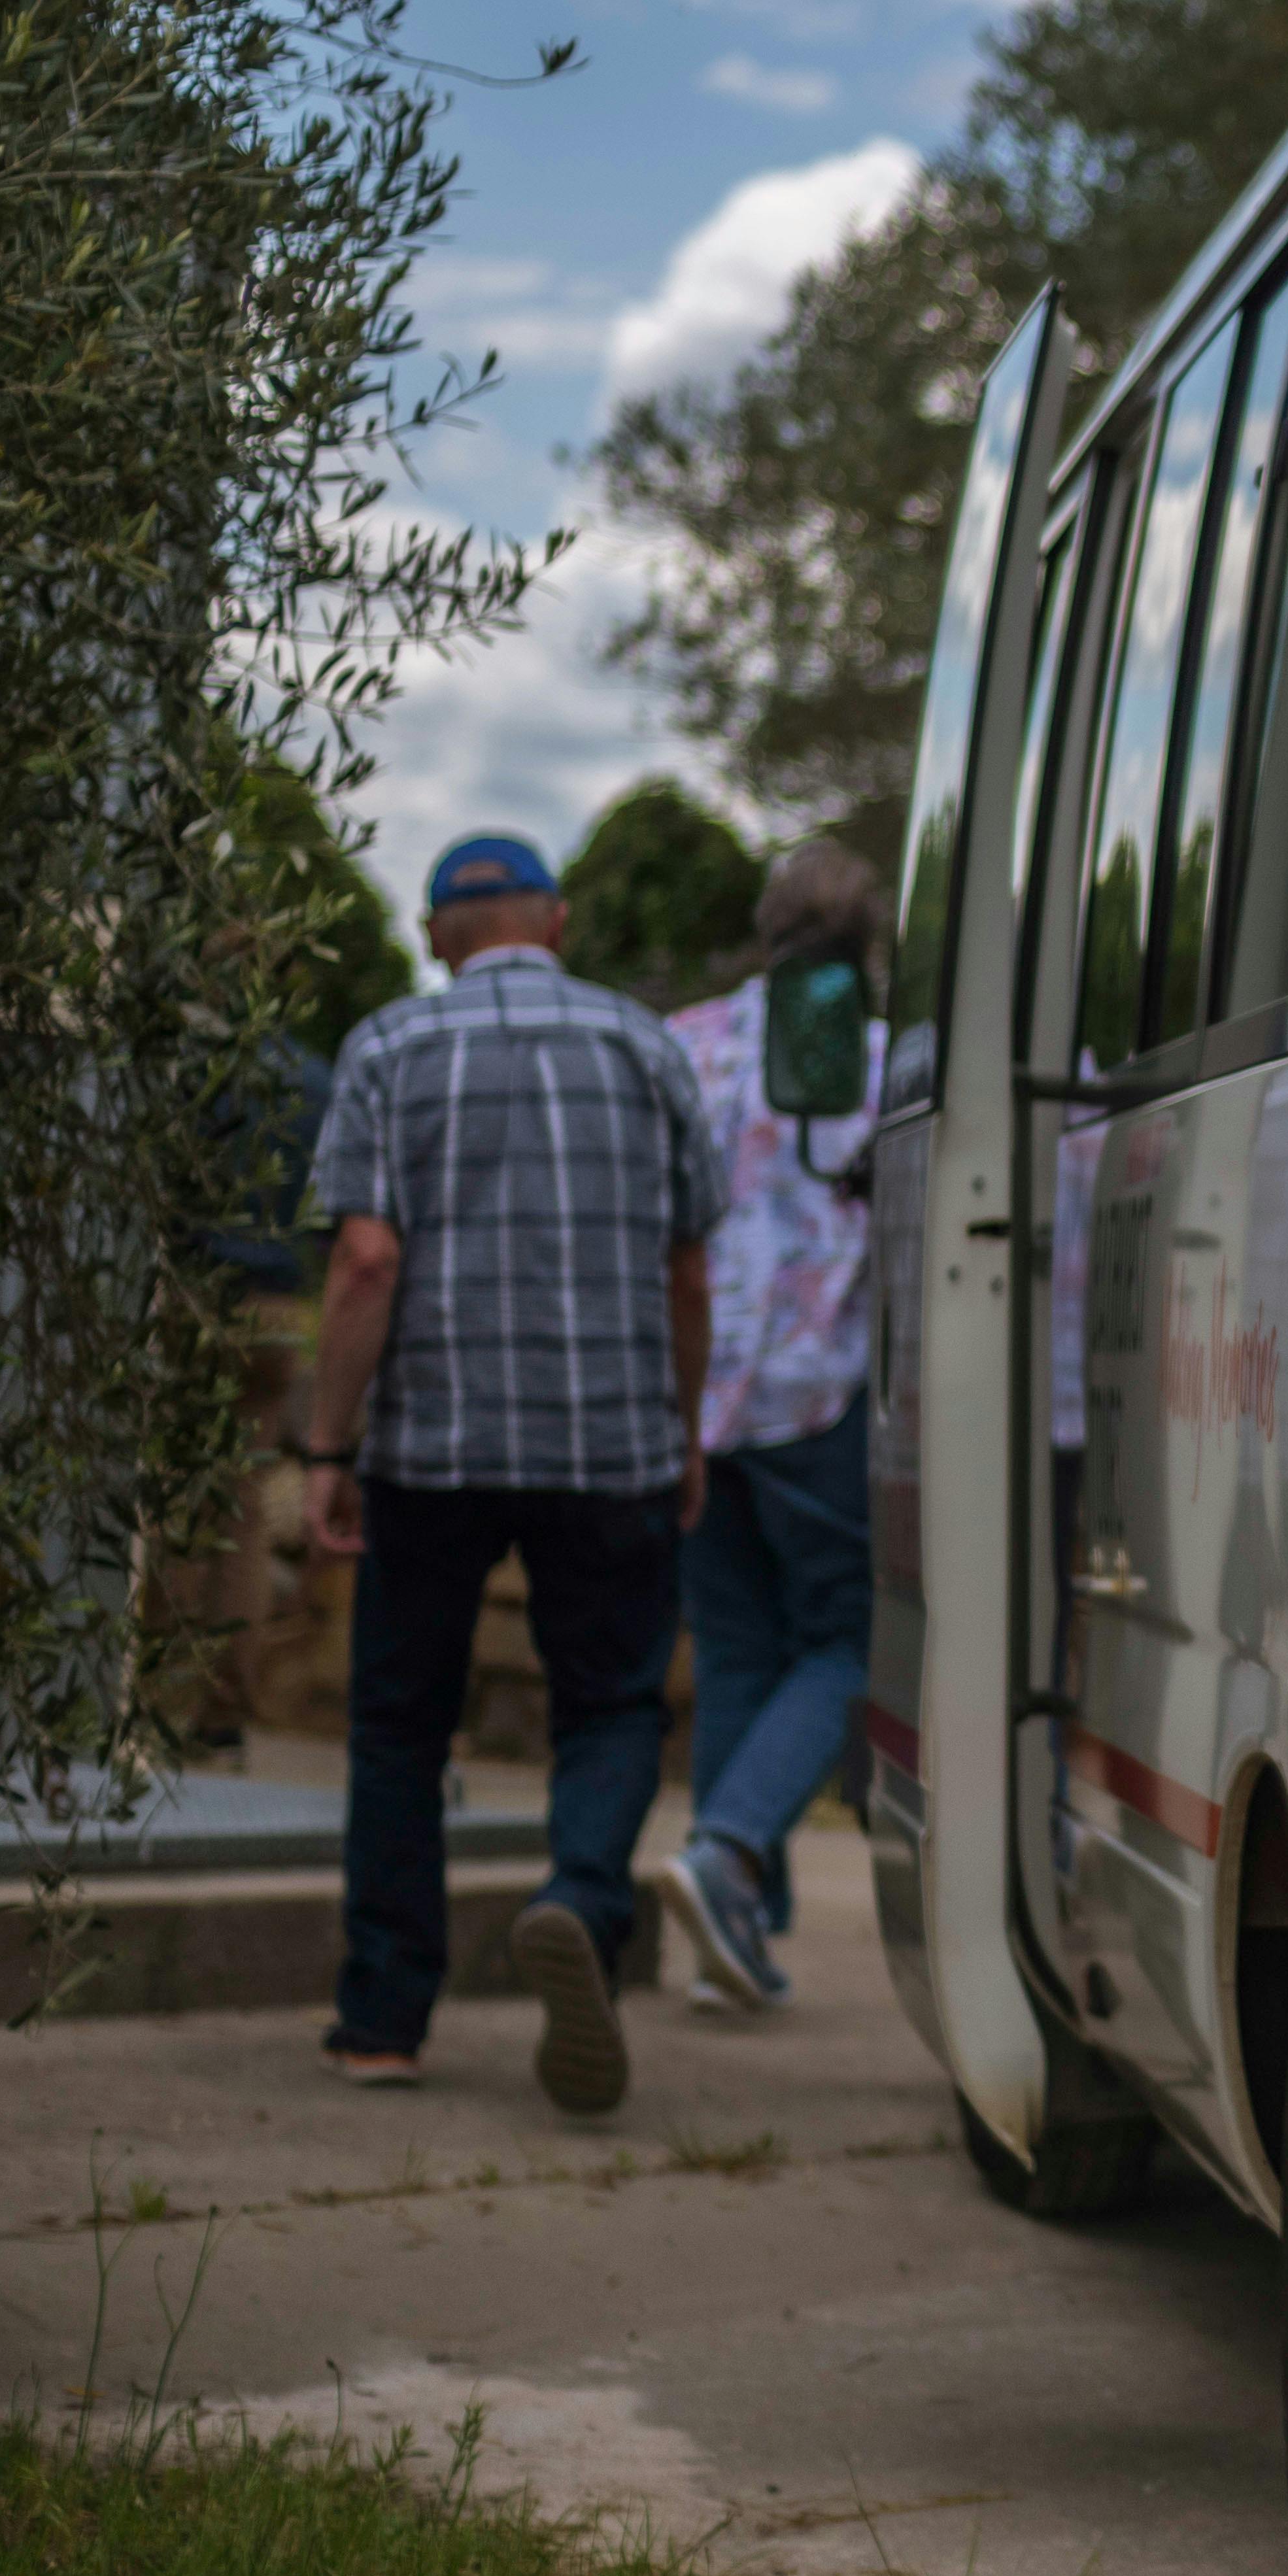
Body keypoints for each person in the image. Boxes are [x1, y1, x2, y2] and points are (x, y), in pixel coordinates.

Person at [300, 831, 720, 2110]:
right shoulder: (648, 1048)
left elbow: (366, 1260)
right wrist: (682, 1427)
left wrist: (330, 1438)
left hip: (435, 1448)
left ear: (439, 933)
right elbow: (688, 1272)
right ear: (558, 919)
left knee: (397, 1726)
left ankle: (382, 2024)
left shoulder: (386, 1046)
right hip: (610, 1446)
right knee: (609, 1707)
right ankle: (582, 1906)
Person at [647, 840, 886, 2013]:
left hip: (695, 1396)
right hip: (817, 1394)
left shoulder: (685, 1044)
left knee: (737, 1647)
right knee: (856, 1639)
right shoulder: (887, 1061)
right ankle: (731, 1853)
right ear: (869, 942)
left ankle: (732, 1934)